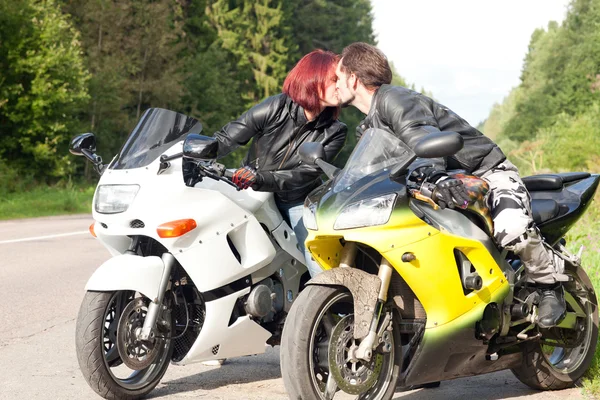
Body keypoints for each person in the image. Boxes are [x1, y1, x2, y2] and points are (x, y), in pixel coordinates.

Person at [334, 42, 567, 329]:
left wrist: (433, 175)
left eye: (337, 77)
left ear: (353, 78)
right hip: (442, 183)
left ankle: (549, 284)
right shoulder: (370, 124)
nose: (334, 85)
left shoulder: (395, 100)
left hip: (486, 173)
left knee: (512, 228)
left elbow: (424, 141)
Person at [211, 49, 346, 278]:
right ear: (314, 78)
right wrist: (194, 151)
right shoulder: (275, 107)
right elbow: (228, 138)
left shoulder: (334, 131)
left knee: (315, 251)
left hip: (296, 198)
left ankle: (331, 305)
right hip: (251, 189)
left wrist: (261, 179)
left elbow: (305, 173)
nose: (340, 86)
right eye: (334, 79)